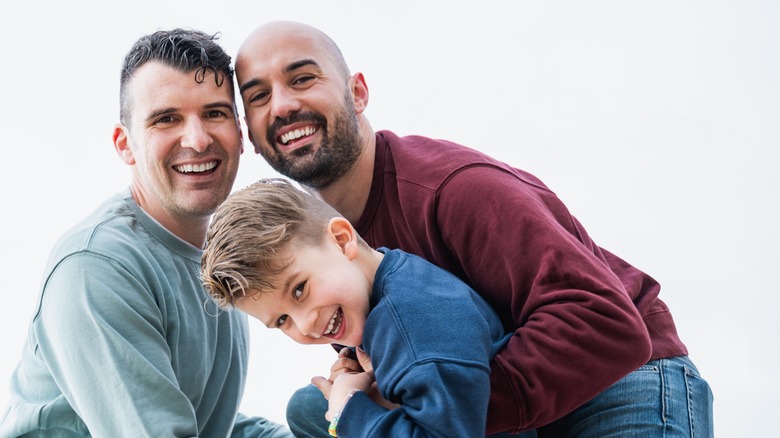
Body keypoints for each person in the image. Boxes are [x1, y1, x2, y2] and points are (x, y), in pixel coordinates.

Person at [233, 20, 715, 437]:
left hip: (622, 384)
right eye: (258, 96)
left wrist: (419, 407)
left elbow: (607, 327)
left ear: (357, 92)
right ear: (252, 136)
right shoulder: (318, 262)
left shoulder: (452, 190)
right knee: (316, 411)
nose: (281, 105)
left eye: (302, 78)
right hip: (517, 416)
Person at [0, 29, 291, 437]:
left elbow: (204, 423)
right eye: (166, 119)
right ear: (125, 145)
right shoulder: (98, 266)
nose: (197, 139)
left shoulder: (217, 261)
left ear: (240, 134)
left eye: (214, 113)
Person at [202, 178, 512, 437]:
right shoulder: (385, 280)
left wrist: (349, 409)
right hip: (444, 409)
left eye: (299, 290)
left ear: (340, 239)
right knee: (306, 408)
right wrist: (375, 380)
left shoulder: (411, 325)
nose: (306, 325)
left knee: (329, 411)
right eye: (283, 319)